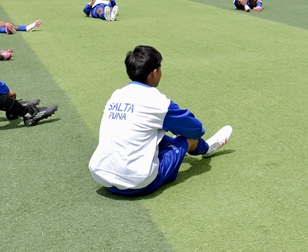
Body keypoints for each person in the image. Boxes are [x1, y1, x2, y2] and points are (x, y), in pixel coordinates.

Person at [88, 45, 232, 196]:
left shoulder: (116, 95)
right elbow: (196, 129)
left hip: (101, 175)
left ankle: (188, 145)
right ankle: (207, 148)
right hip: (137, 182)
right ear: (154, 73)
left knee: (152, 133)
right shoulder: (157, 101)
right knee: (188, 139)